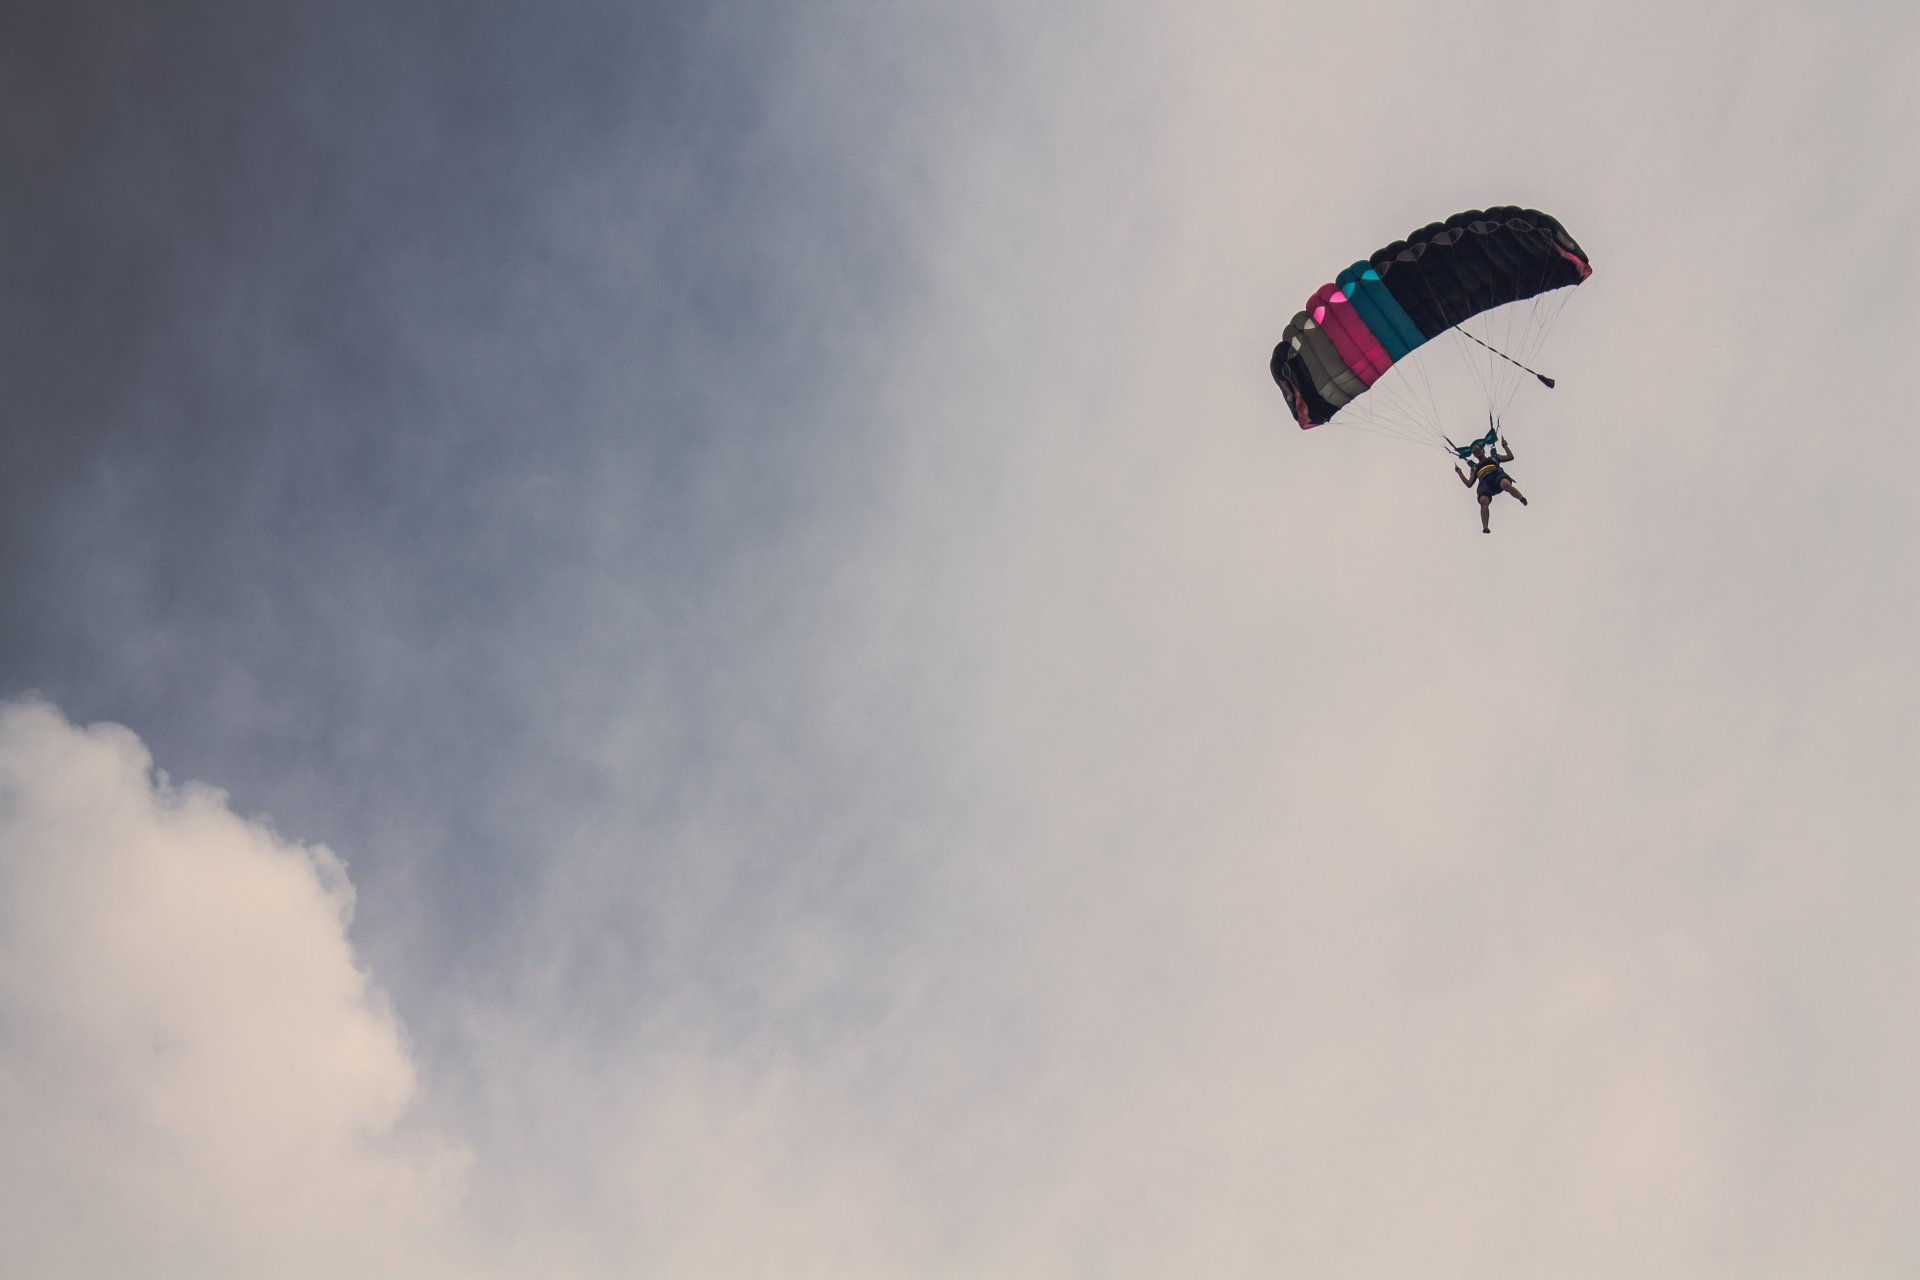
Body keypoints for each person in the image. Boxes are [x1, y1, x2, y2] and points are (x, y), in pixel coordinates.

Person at [1455, 433, 1527, 533]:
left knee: (1505, 484)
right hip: (1485, 483)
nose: (1477, 452)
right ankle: (1485, 527)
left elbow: (1510, 457)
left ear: (1483, 450)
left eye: (1478, 450)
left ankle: (1521, 498)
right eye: (1474, 452)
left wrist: (1505, 446)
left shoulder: (1494, 457)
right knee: (1483, 501)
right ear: (1474, 455)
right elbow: (1469, 484)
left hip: (1496, 476)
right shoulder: (1475, 468)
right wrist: (1460, 473)